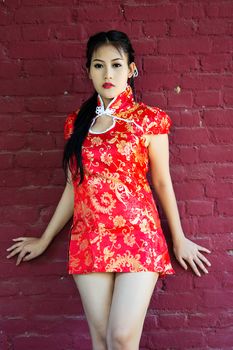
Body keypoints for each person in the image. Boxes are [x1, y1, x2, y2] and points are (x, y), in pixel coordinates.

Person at [6, 30, 211, 350]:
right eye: (98, 66)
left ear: (131, 69)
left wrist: (179, 238)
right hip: (90, 237)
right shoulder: (76, 123)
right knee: (102, 343)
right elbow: (74, 186)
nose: (108, 74)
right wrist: (45, 238)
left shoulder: (149, 119)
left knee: (120, 338)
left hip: (139, 236)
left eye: (116, 65)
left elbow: (161, 181)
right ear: (88, 69)